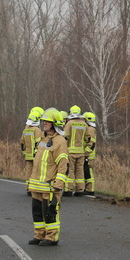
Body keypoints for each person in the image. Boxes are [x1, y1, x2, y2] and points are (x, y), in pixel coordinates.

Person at [26, 108, 68, 246]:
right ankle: (39, 235)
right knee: (37, 213)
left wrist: (58, 185)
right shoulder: (43, 139)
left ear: (54, 123)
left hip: (49, 187)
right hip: (37, 185)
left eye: (47, 121)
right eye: (44, 121)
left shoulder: (60, 141)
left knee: (50, 213)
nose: (44, 123)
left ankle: (51, 237)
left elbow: (63, 165)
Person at [64, 105, 89, 196]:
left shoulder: (69, 123)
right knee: (79, 171)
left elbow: (65, 136)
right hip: (81, 152)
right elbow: (88, 139)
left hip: (70, 151)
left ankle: (69, 189)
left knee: (70, 170)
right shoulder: (84, 124)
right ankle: (80, 190)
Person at [20, 106, 45, 195]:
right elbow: (38, 143)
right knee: (35, 172)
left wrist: (24, 153)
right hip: (35, 155)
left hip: (28, 155)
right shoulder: (37, 130)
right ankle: (34, 189)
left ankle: (28, 188)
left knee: (29, 171)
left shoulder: (26, 130)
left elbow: (22, 143)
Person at [82, 111, 98, 196]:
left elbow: (91, 143)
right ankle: (87, 188)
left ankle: (90, 189)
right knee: (86, 171)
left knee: (88, 171)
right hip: (89, 154)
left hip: (89, 155)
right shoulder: (91, 128)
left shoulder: (90, 129)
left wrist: (86, 153)